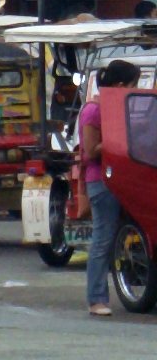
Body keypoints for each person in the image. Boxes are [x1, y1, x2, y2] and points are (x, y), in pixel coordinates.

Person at [80, 58, 139, 317]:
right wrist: (117, 139)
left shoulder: (121, 106)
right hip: (101, 181)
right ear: (119, 84)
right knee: (102, 241)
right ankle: (96, 299)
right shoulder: (93, 110)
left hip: (123, 178)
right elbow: (90, 152)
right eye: (132, 84)